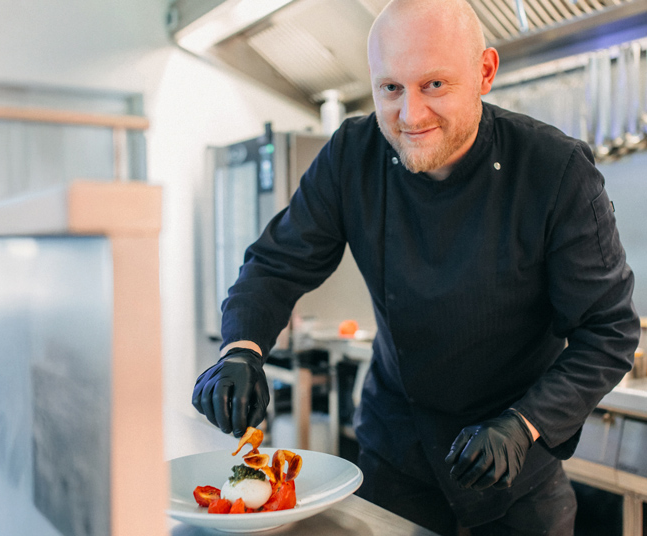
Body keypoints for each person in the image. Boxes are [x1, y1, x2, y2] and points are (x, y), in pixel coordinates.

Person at [192, 0, 641, 533]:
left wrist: (524, 424)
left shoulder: (554, 169)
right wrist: (241, 350)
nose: (410, 115)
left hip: (518, 473)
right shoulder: (352, 154)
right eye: (390, 88)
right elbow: (276, 264)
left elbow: (607, 332)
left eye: (434, 85)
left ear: (485, 72)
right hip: (396, 460)